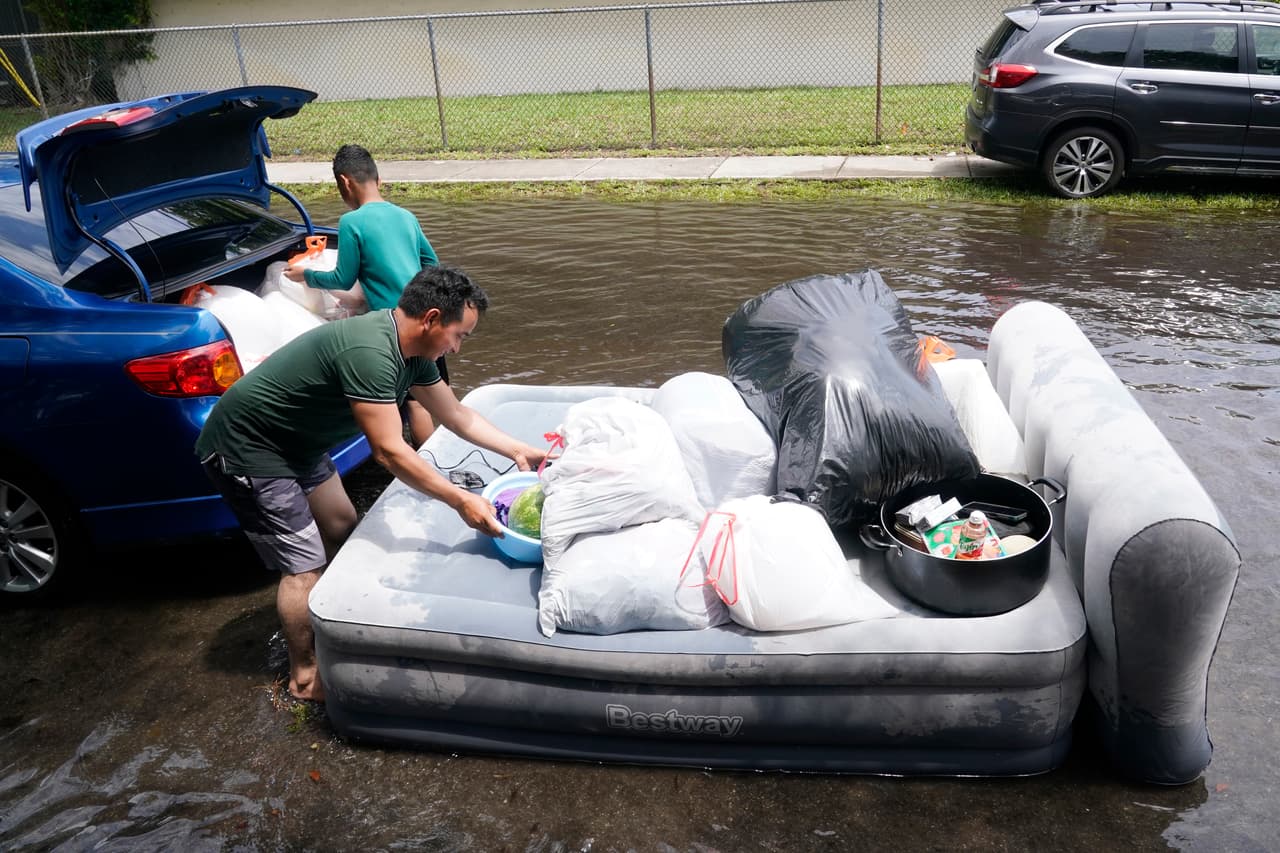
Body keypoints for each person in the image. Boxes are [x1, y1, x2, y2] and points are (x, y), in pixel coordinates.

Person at [196, 265, 545, 702]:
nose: (457, 348)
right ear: (432, 318)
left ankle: (335, 620)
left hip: (300, 441)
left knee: (341, 524)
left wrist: (518, 450)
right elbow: (389, 451)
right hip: (251, 448)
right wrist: (461, 500)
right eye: (460, 336)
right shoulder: (372, 352)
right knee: (303, 564)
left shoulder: (416, 352)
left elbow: (456, 415)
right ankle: (304, 676)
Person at [283, 143, 444, 446]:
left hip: (394, 326)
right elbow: (431, 264)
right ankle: (436, 463)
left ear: (345, 182)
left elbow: (343, 279)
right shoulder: (405, 215)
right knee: (427, 399)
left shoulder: (351, 222)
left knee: (405, 402)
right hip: (427, 316)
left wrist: (306, 275)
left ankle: (419, 467)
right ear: (379, 180)